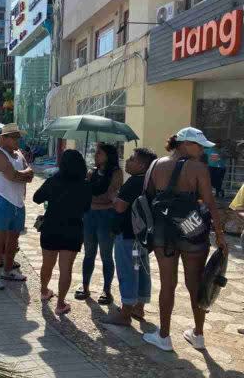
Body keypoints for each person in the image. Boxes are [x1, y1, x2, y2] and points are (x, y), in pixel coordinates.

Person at [142, 127, 227, 352]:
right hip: (192, 226)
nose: (202, 150)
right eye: (199, 146)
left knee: (167, 284)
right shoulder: (198, 168)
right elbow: (210, 203)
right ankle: (198, 335)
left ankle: (163, 337)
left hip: (163, 229)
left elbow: (148, 197)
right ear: (184, 144)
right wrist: (219, 235)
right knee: (196, 283)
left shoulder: (155, 165)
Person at [103, 148, 157, 326]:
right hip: (143, 237)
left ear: (141, 164)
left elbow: (120, 207)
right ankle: (139, 307)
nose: (127, 161)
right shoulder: (151, 181)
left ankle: (125, 313)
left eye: (132, 159)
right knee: (140, 271)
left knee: (128, 272)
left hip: (128, 236)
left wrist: (112, 196)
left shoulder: (134, 182)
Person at [34, 149, 91, 315]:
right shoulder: (85, 184)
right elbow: (86, 208)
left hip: (51, 226)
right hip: (73, 229)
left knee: (47, 264)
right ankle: (60, 304)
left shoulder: (53, 180)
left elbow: (36, 198)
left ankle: (44, 291)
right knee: (66, 268)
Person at [76, 143, 123, 305]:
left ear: (108, 156)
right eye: (95, 153)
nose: (96, 155)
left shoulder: (116, 173)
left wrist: (98, 201)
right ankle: (85, 286)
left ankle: (106, 290)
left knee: (106, 255)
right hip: (89, 216)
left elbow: (110, 195)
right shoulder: (91, 172)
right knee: (88, 253)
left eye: (99, 153)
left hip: (106, 217)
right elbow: (88, 194)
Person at [0, 123, 34, 289]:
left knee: (13, 240)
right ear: (4, 138)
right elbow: (13, 176)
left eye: (18, 136)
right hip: (3, 200)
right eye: (14, 136)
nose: (18, 140)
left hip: (18, 202)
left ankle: (8, 270)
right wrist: (25, 174)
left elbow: (29, 174)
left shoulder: (19, 153)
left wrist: (23, 174)